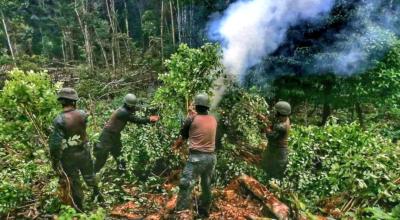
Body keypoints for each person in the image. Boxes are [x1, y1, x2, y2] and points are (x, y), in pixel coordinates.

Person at [48, 88, 101, 211]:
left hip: (69, 157)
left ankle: (80, 209)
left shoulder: (59, 120)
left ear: (61, 102)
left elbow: (55, 145)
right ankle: (98, 195)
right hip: (84, 151)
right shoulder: (82, 114)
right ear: (74, 101)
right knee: (90, 175)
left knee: (75, 182)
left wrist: (55, 161)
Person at [174, 93, 218, 218]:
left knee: (185, 183)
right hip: (211, 157)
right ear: (207, 107)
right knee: (206, 183)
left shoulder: (191, 118)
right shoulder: (213, 119)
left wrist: (175, 146)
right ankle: (205, 209)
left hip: (197, 158)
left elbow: (183, 136)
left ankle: (182, 213)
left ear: (196, 106)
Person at [94, 93, 159, 173]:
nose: (133, 107)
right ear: (129, 105)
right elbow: (137, 120)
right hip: (106, 137)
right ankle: (91, 175)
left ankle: (122, 174)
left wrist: (151, 109)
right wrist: (150, 119)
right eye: (132, 106)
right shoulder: (123, 112)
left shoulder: (126, 109)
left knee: (120, 157)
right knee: (101, 159)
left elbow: (138, 108)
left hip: (115, 136)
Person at [260, 101, 291, 180]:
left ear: (280, 113)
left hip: (278, 153)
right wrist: (266, 120)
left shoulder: (282, 126)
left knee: (273, 174)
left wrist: (266, 128)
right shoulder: (286, 119)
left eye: (276, 112)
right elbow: (274, 125)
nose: (275, 114)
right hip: (277, 151)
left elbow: (271, 136)